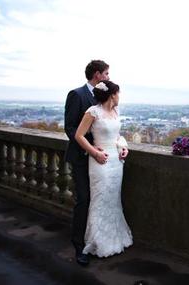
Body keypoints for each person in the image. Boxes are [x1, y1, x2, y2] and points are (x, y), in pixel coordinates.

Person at [74, 80, 133, 258]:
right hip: (100, 161)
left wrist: (124, 147)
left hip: (116, 162)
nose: (119, 96)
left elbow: (118, 135)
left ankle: (115, 238)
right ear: (112, 94)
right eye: (118, 93)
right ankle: (98, 241)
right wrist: (94, 152)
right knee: (100, 199)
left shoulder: (116, 111)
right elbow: (79, 135)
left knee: (113, 199)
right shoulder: (93, 111)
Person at [64, 60, 114, 266]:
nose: (109, 77)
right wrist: (92, 150)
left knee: (98, 200)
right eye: (106, 73)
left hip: (101, 159)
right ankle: (78, 246)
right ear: (97, 74)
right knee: (83, 200)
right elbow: (70, 128)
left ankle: (95, 241)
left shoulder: (104, 97)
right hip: (82, 158)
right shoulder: (77, 94)